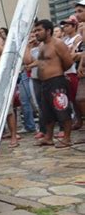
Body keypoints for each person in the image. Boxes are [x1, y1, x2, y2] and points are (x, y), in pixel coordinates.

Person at [24, 19, 74, 148]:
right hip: (44, 83)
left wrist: (57, 72)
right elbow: (38, 62)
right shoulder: (42, 46)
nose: (36, 33)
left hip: (56, 81)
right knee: (46, 112)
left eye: (39, 30)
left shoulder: (58, 44)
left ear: (48, 31)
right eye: (35, 30)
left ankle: (67, 138)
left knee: (62, 109)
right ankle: (48, 137)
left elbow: (68, 62)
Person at [60, 15, 82, 130]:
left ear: (74, 26)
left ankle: (80, 119)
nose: (65, 28)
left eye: (68, 25)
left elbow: (71, 55)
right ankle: (78, 120)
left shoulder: (77, 37)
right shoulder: (65, 40)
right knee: (72, 99)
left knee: (78, 98)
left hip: (73, 70)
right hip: (66, 71)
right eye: (64, 25)